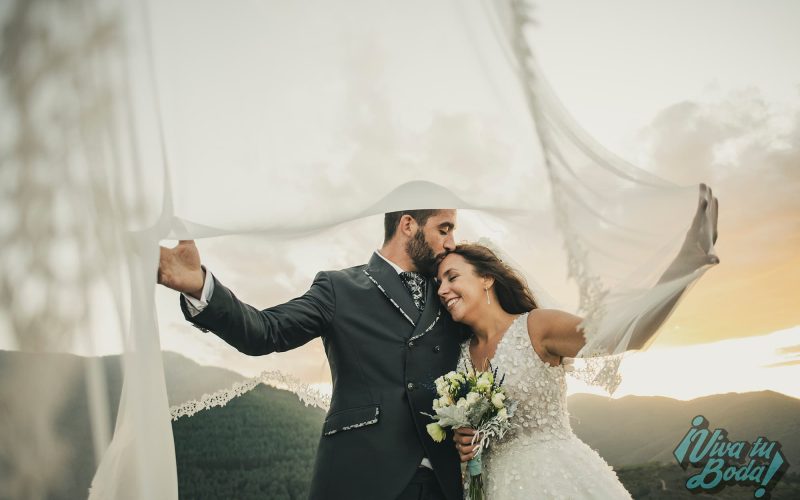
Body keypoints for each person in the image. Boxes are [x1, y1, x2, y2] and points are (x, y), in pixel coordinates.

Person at [157, 209, 465, 500]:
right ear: (408, 224)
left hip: (445, 480)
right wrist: (200, 286)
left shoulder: (452, 293)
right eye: (444, 229)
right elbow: (266, 331)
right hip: (361, 474)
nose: (451, 242)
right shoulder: (339, 287)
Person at [440, 187, 718, 499]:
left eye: (452, 277)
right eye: (439, 283)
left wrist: (686, 265)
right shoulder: (460, 357)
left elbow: (624, 334)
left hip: (556, 479)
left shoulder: (536, 327)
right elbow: (471, 436)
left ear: (486, 278)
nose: (442, 290)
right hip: (491, 487)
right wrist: (466, 440)